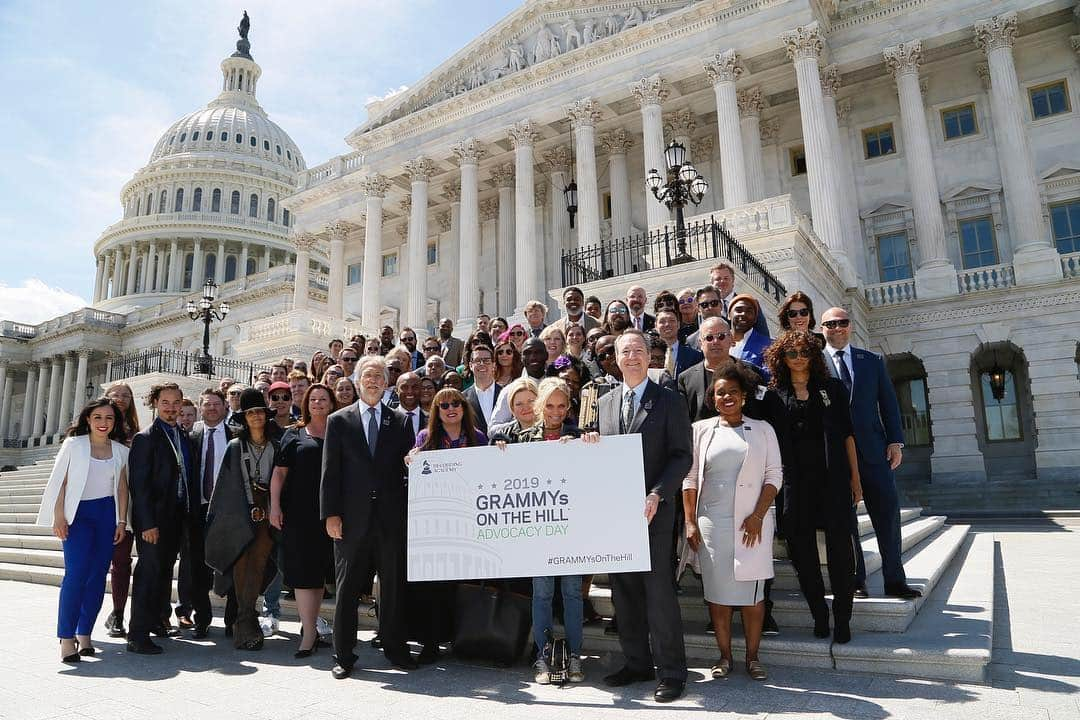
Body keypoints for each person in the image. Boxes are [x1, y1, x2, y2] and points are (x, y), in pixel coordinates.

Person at [582, 330, 693, 703]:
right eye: (624, 351)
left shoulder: (670, 401)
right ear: (614, 358)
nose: (631, 357)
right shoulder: (606, 401)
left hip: (655, 514)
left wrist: (658, 493)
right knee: (624, 593)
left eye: (638, 351)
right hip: (617, 515)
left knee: (658, 593)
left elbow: (682, 456)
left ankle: (673, 673)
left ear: (650, 357)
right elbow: (602, 453)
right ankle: (636, 663)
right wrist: (587, 444)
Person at [682, 365, 782, 681]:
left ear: (744, 396)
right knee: (718, 596)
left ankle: (753, 658)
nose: (726, 397)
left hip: (752, 525)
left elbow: (774, 476)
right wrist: (690, 523)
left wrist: (757, 516)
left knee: (753, 597)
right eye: (720, 392)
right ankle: (724, 657)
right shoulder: (700, 430)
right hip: (711, 524)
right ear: (712, 397)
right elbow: (689, 477)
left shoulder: (763, 429)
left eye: (733, 392)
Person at [763, 330, 861, 644]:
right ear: (782, 359)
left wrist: (855, 481)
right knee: (802, 554)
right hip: (794, 484)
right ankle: (820, 613)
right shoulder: (773, 395)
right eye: (792, 354)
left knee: (841, 553)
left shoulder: (831, 388)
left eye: (805, 352)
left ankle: (843, 618)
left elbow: (847, 436)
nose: (799, 359)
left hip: (832, 480)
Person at [323, 356, 416, 678]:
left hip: (390, 521)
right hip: (350, 521)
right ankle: (344, 655)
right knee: (347, 589)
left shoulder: (401, 421)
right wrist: (331, 515)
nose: (374, 381)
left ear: (387, 383)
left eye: (379, 376)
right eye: (368, 376)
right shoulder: (338, 421)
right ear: (358, 380)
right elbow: (330, 473)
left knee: (392, 588)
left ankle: (395, 648)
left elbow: (405, 471)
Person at [820, 307, 920, 600]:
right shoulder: (816, 364)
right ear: (822, 328)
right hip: (836, 456)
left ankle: (895, 580)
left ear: (850, 326)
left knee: (887, 517)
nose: (837, 328)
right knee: (847, 522)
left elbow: (888, 403)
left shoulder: (871, 361)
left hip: (875, 453)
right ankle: (856, 580)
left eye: (842, 322)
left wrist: (895, 442)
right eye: (830, 324)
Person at [494, 378, 585, 684]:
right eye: (549, 405)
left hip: (573, 530)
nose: (556, 411)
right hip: (540, 532)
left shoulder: (579, 436)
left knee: (573, 594)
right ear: (539, 406)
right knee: (542, 594)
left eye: (562, 405)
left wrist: (592, 444)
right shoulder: (522, 439)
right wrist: (502, 451)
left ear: (568, 407)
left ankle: (574, 656)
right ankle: (543, 657)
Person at [37, 398, 130, 662]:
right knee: (75, 575)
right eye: (98, 417)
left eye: (109, 418)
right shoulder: (73, 445)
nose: (103, 423)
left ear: (115, 422)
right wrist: (58, 516)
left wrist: (122, 522)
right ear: (87, 420)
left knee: (98, 576)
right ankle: (66, 638)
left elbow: (122, 489)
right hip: (77, 516)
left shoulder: (121, 451)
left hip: (105, 516)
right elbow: (60, 482)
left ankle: (85, 634)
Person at [126, 383, 207, 654]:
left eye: (176, 402)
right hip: (154, 520)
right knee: (148, 573)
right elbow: (139, 486)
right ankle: (137, 634)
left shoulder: (183, 436)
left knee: (162, 573)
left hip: (178, 518)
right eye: (165, 402)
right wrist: (147, 523)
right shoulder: (146, 438)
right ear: (155, 404)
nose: (171, 407)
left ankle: (156, 621)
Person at [204, 389, 279, 650]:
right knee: (241, 566)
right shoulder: (236, 446)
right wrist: (246, 508)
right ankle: (244, 621)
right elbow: (227, 485)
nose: (256, 416)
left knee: (259, 566)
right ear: (244, 418)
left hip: (268, 515)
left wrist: (269, 508)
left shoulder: (276, 444)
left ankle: (248, 618)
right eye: (250, 413)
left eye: (259, 411)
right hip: (239, 514)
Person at [270, 384, 338, 659]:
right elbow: (278, 474)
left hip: (332, 512)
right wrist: (274, 507)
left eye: (323, 399)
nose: (318, 403)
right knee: (302, 571)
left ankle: (313, 625)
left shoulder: (341, 431)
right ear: (306, 404)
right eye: (313, 399)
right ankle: (308, 631)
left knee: (321, 571)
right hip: (299, 514)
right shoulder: (293, 434)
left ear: (331, 403)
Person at [175, 388, 231, 632]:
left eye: (216, 404)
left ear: (225, 407)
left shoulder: (235, 435)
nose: (211, 408)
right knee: (198, 566)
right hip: (197, 509)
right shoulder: (189, 435)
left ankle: (233, 620)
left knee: (231, 565)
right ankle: (202, 618)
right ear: (200, 407)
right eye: (207, 404)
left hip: (228, 511)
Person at [678, 317, 764, 423]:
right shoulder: (686, 379)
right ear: (700, 343)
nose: (715, 342)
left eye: (721, 336)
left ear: (731, 339)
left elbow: (763, 412)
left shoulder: (752, 373)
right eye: (709, 338)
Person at [103, 383, 138, 639]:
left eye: (126, 395)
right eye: (116, 395)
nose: (121, 399)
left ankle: (117, 613)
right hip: (99, 500)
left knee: (122, 561)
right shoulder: (97, 426)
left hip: (127, 503)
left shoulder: (135, 431)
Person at [489, 337, 548, 425]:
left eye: (538, 352)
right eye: (527, 353)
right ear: (521, 357)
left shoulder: (556, 387)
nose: (533, 357)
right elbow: (493, 428)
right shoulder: (509, 390)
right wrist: (521, 423)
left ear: (546, 355)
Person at [711, 263, 770, 337]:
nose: (722, 281)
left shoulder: (750, 303)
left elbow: (763, 335)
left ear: (733, 281)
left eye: (726, 278)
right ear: (712, 283)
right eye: (718, 279)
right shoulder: (706, 308)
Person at [728, 295, 772, 379]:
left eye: (749, 311)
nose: (743, 314)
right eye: (739, 310)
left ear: (755, 318)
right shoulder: (717, 340)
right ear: (729, 315)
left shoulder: (769, 345)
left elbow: (769, 377)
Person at [487, 377, 538, 443]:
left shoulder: (551, 429)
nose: (526, 407)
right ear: (512, 408)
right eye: (519, 404)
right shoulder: (504, 436)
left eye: (531, 401)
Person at [462, 344, 500, 433]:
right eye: (478, 361)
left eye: (486, 361)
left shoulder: (506, 393)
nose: (482, 364)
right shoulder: (462, 398)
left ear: (493, 365)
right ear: (471, 365)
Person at [656, 308, 702, 379]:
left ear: (678, 324)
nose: (667, 324)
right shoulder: (649, 355)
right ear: (656, 326)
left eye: (672, 321)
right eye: (662, 321)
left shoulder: (694, 355)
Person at [685, 286, 725, 350]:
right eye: (704, 305)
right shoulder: (692, 341)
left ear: (721, 305)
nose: (710, 307)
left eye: (714, 303)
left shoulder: (734, 330)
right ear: (698, 309)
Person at [396, 372, 427, 440]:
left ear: (421, 390)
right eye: (404, 387)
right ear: (396, 390)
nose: (410, 391)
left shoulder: (431, 420)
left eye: (415, 387)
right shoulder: (387, 418)